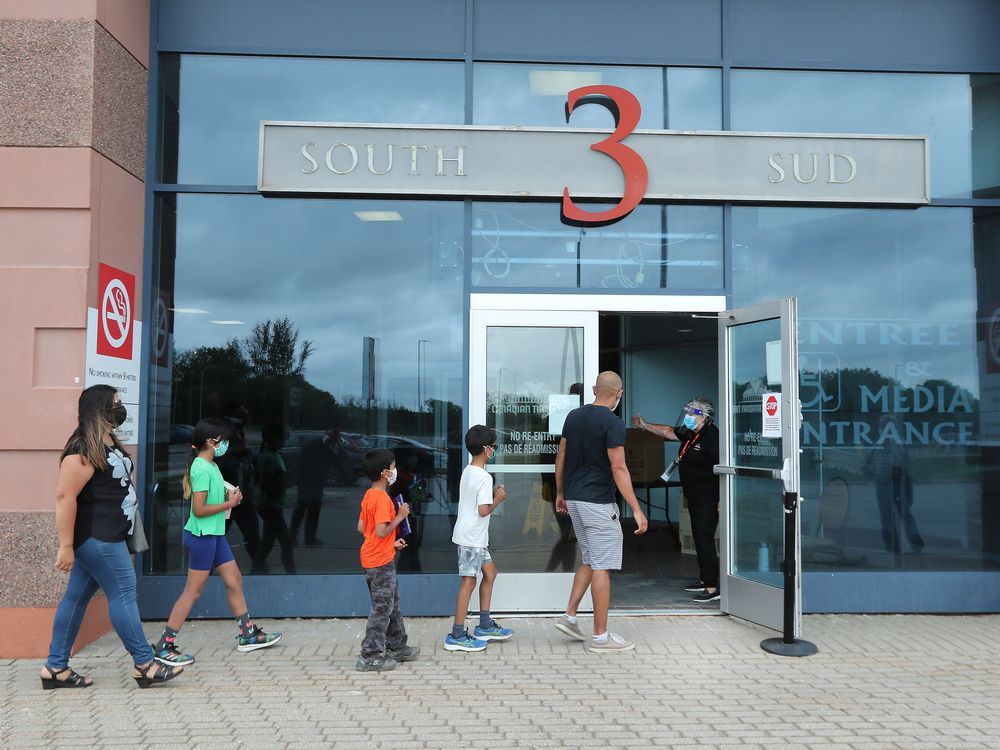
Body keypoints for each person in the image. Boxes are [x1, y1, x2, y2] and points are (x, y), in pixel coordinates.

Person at [40, 385, 184, 690]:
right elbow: (65, 497)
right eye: (115, 403)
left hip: (107, 535)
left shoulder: (107, 442)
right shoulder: (81, 449)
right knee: (124, 594)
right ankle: (145, 663)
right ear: (99, 408)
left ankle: (55, 667)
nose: (120, 407)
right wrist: (65, 546)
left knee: (76, 599)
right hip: (98, 538)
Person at [151, 418, 282, 665]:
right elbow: (199, 510)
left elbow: (210, 497)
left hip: (214, 535)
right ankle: (164, 646)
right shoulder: (201, 467)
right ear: (211, 442)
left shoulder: (210, 465)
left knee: (235, 581)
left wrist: (229, 495)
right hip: (202, 537)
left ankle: (248, 635)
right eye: (223, 440)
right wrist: (230, 504)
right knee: (193, 591)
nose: (227, 444)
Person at [554, 371, 648, 653]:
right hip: (597, 503)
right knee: (601, 567)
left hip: (575, 499)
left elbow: (561, 455)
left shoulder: (573, 416)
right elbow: (618, 467)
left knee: (590, 558)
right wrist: (636, 509)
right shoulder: (613, 423)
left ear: (595, 389)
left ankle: (570, 616)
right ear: (618, 394)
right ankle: (600, 637)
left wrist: (561, 492)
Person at [633, 397, 721, 603]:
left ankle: (712, 588)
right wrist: (645, 425)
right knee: (700, 537)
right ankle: (704, 579)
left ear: (705, 417)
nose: (688, 418)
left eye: (693, 414)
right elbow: (667, 431)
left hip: (708, 497)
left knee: (704, 537)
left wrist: (720, 501)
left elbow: (721, 470)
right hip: (694, 495)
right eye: (688, 413)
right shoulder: (691, 434)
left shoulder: (712, 437)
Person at [444, 425, 513, 652]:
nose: (494, 450)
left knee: (490, 573)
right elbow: (484, 510)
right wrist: (498, 498)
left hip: (474, 537)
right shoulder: (483, 477)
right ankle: (457, 634)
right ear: (485, 449)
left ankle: (484, 624)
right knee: (469, 582)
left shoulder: (468, 470)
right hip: (471, 538)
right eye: (493, 446)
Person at [356, 449, 420, 671]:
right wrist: (400, 516)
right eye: (393, 468)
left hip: (374, 557)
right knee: (382, 608)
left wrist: (391, 543)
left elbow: (364, 528)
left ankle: (397, 646)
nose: (395, 471)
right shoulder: (383, 499)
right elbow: (382, 531)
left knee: (391, 604)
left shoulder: (369, 495)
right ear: (384, 473)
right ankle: (370, 655)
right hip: (380, 562)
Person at [865, 414, 924, 554]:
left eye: (888, 426)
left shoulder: (899, 442)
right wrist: (880, 443)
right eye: (883, 426)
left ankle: (914, 538)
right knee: (885, 513)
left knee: (904, 511)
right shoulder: (876, 444)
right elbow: (867, 459)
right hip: (881, 483)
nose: (885, 429)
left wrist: (892, 443)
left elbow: (904, 459)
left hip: (898, 482)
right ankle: (891, 543)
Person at [217, 404, 260, 559]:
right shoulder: (222, 442)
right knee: (214, 537)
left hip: (243, 498)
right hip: (226, 498)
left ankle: (260, 567)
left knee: (253, 538)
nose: (236, 430)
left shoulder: (240, 439)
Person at [252, 423, 296, 573]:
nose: (283, 441)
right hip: (270, 506)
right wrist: (288, 483)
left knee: (268, 543)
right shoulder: (268, 458)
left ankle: (256, 571)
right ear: (272, 439)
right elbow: (267, 485)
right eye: (281, 438)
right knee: (286, 542)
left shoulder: (275, 455)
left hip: (274, 505)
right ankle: (292, 575)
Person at [290, 431, 332, 547]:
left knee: (303, 508)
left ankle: (296, 536)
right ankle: (308, 537)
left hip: (307, 480)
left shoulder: (313, 444)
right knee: (310, 509)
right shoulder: (319, 447)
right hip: (311, 480)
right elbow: (323, 463)